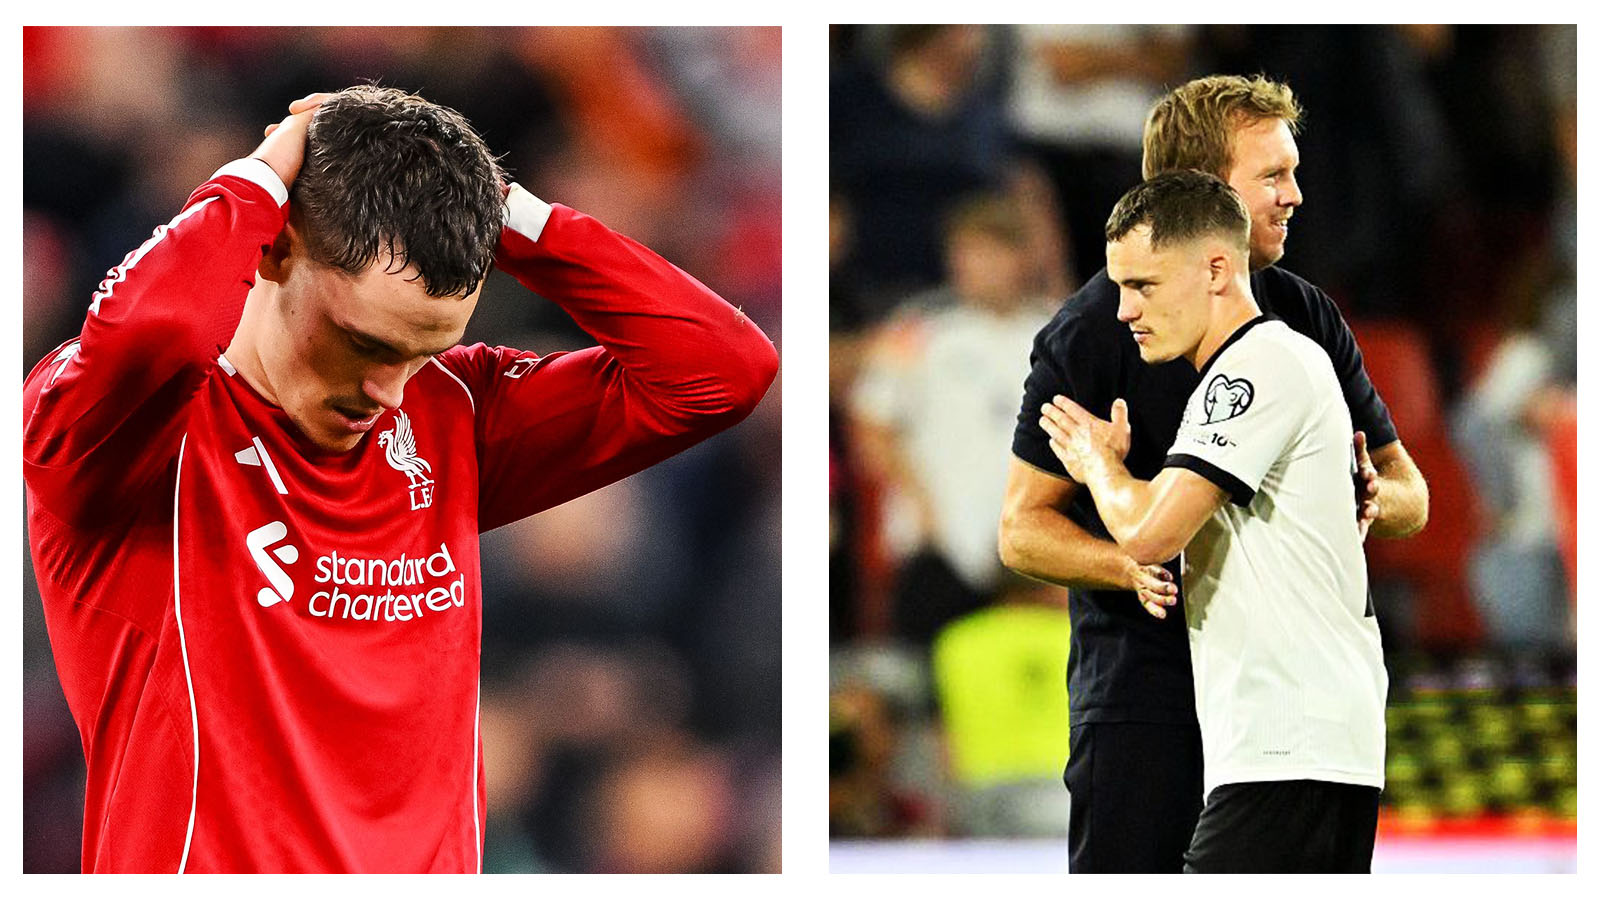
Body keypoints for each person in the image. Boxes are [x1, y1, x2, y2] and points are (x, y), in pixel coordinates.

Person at [22, 87, 778, 873]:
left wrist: (505, 212)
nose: (389, 390)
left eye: (425, 348)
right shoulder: (123, 437)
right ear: (274, 248)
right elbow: (156, 328)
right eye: (365, 342)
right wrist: (259, 176)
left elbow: (721, 371)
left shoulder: (453, 411)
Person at [998, 74, 1427, 873]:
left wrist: (1364, 496)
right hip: (1144, 692)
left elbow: (1410, 495)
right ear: (1202, 194)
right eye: (1272, 175)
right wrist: (1129, 566)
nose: (1295, 195)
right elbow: (1021, 529)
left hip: (1275, 703)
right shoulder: (1092, 331)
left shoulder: (1298, 322)